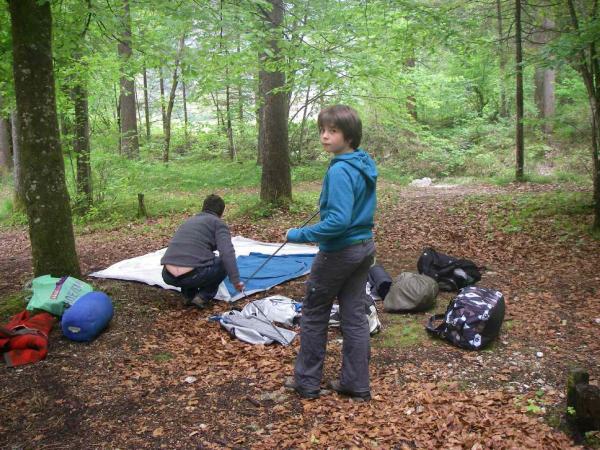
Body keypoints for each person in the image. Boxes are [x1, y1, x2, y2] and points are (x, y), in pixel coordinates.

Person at [284, 105, 377, 401]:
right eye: (322, 130)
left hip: (340, 251)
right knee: (354, 315)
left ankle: (307, 382)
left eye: (332, 131)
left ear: (349, 135)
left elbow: (338, 221)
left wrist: (300, 235)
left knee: (313, 312)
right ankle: (356, 384)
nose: (325, 136)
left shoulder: (340, 170)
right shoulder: (361, 162)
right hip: (363, 248)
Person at [161, 194, 244, 309]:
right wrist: (236, 280)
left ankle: (189, 296)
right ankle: (203, 296)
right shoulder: (218, 223)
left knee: (191, 258)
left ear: (203, 207)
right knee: (222, 262)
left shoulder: (189, 221)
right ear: (221, 212)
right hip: (193, 276)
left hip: (167, 275)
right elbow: (227, 253)